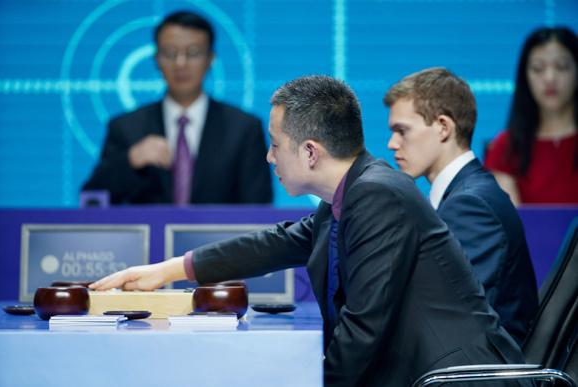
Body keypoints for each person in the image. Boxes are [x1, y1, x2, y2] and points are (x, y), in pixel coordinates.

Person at [90, 75, 529, 386]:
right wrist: (169, 269)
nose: (268, 156)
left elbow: (363, 329)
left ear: (311, 152)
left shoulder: (376, 194)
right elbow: (276, 243)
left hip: (451, 378)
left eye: (275, 144)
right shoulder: (351, 192)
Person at [384, 67, 539, 345]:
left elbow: (457, 320)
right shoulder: (462, 196)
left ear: (443, 127)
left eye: (402, 130)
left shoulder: (470, 205)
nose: (391, 143)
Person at [82, 11, 272, 205]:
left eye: (193, 53)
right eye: (170, 53)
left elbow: (258, 209)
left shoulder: (243, 128)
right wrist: (131, 160)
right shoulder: (126, 127)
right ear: (156, 59)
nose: (181, 64)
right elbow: (91, 200)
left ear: (210, 59)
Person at [484, 26, 578, 205]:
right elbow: (512, 226)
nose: (550, 78)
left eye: (562, 67)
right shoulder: (506, 147)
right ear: (525, 77)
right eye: (538, 68)